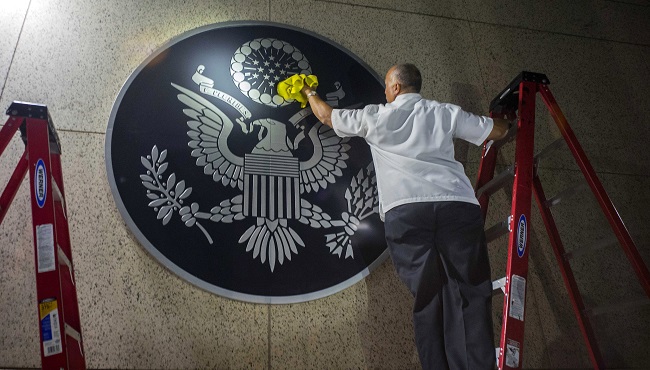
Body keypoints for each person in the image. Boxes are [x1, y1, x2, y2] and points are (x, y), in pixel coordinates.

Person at [300, 64, 510, 370]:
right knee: (469, 291)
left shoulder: (377, 115)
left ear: (396, 88)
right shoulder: (444, 112)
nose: (384, 93)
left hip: (407, 211)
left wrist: (307, 91)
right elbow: (497, 131)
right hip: (455, 206)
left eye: (386, 87)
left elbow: (327, 116)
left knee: (428, 296)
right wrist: (511, 121)